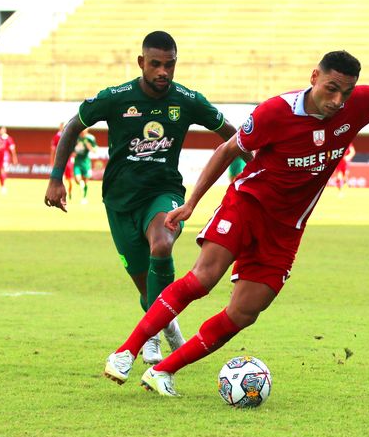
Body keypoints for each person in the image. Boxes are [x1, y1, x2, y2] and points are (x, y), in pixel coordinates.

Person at [101, 50, 369, 396]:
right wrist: (192, 204)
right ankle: (126, 352)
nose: (338, 101)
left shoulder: (361, 102)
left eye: (345, 93)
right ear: (314, 77)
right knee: (203, 278)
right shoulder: (275, 112)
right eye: (331, 88)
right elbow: (227, 149)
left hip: (287, 228)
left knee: (245, 312)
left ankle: (163, 372)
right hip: (247, 205)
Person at [44, 31, 244, 364]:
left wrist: (264, 167)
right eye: (155, 64)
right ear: (142, 63)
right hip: (120, 201)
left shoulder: (187, 100)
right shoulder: (116, 98)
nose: (163, 71)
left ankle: (148, 337)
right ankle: (168, 330)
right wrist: (55, 179)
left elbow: (234, 136)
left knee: (162, 244)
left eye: (169, 64)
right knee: (146, 289)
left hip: (163, 192)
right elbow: (72, 127)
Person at [0, 126, 18, 194]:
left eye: (1, 129)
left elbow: (12, 149)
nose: (0, 130)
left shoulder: (8, 138)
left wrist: (14, 157)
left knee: (2, 170)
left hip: (4, 156)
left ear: (4, 130)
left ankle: (4, 186)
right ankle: (2, 185)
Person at [72, 129, 97, 205]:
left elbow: (94, 150)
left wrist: (88, 146)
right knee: (77, 179)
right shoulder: (76, 138)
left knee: (86, 181)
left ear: (87, 130)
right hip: (77, 162)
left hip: (85, 162)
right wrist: (73, 152)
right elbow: (72, 148)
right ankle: (80, 183)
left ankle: (84, 197)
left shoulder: (90, 138)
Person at [50, 122, 74, 200]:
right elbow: (53, 149)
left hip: (68, 161)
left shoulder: (70, 135)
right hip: (60, 160)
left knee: (70, 180)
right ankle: (62, 195)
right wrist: (52, 160)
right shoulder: (57, 136)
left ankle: (69, 192)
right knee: (61, 178)